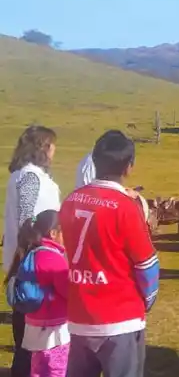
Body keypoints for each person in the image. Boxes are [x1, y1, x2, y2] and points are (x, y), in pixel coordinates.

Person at [60, 130, 160, 377]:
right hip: (120, 320)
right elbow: (147, 264)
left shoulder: (71, 200)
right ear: (129, 167)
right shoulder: (125, 207)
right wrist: (147, 301)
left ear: (93, 162)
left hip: (79, 317)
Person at [4, 126, 61, 377]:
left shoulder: (24, 175)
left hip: (30, 264)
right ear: (43, 147)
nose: (54, 151)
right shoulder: (29, 177)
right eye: (52, 145)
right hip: (34, 268)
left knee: (29, 342)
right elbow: (26, 220)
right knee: (32, 345)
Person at [4, 209, 69, 377]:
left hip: (33, 325)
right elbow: (69, 292)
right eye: (65, 231)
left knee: (38, 370)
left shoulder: (32, 253)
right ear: (54, 233)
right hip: (53, 330)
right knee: (57, 369)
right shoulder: (54, 259)